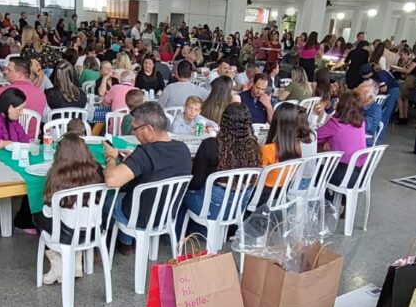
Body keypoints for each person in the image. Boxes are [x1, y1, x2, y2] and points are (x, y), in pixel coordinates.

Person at [102, 103, 192, 254]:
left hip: (139, 216)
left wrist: (111, 158)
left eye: (135, 129)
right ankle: (126, 240)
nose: (134, 133)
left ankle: (116, 240)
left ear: (149, 129)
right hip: (167, 213)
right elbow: (158, 165)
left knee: (108, 202)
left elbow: (111, 180)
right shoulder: (183, 149)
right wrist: (133, 161)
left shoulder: (144, 153)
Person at [179, 102, 261, 236]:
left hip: (211, 207)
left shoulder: (210, 145)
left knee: (182, 193)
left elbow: (196, 183)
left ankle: (178, 237)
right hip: (238, 207)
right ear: (248, 123)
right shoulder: (254, 147)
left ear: (223, 120)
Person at [37, 133, 105, 284]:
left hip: (68, 234)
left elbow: (48, 211)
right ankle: (75, 263)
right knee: (73, 217)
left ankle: (57, 266)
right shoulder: (98, 171)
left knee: (38, 218)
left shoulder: (57, 177)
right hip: (95, 230)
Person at [317, 89, 369, 192]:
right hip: (361, 175)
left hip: (343, 175)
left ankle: (326, 203)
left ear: (342, 105)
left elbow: (314, 136)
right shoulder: (361, 123)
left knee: (314, 174)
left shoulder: (336, 123)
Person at [261, 102, 309, 187]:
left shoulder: (267, 149)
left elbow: (258, 179)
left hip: (264, 194)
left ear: (276, 122)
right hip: (283, 191)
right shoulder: (297, 148)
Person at [356, 79, 383, 145]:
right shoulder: (357, 104)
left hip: (363, 144)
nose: (355, 97)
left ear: (370, 98)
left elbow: (362, 125)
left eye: (359, 95)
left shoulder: (376, 110)